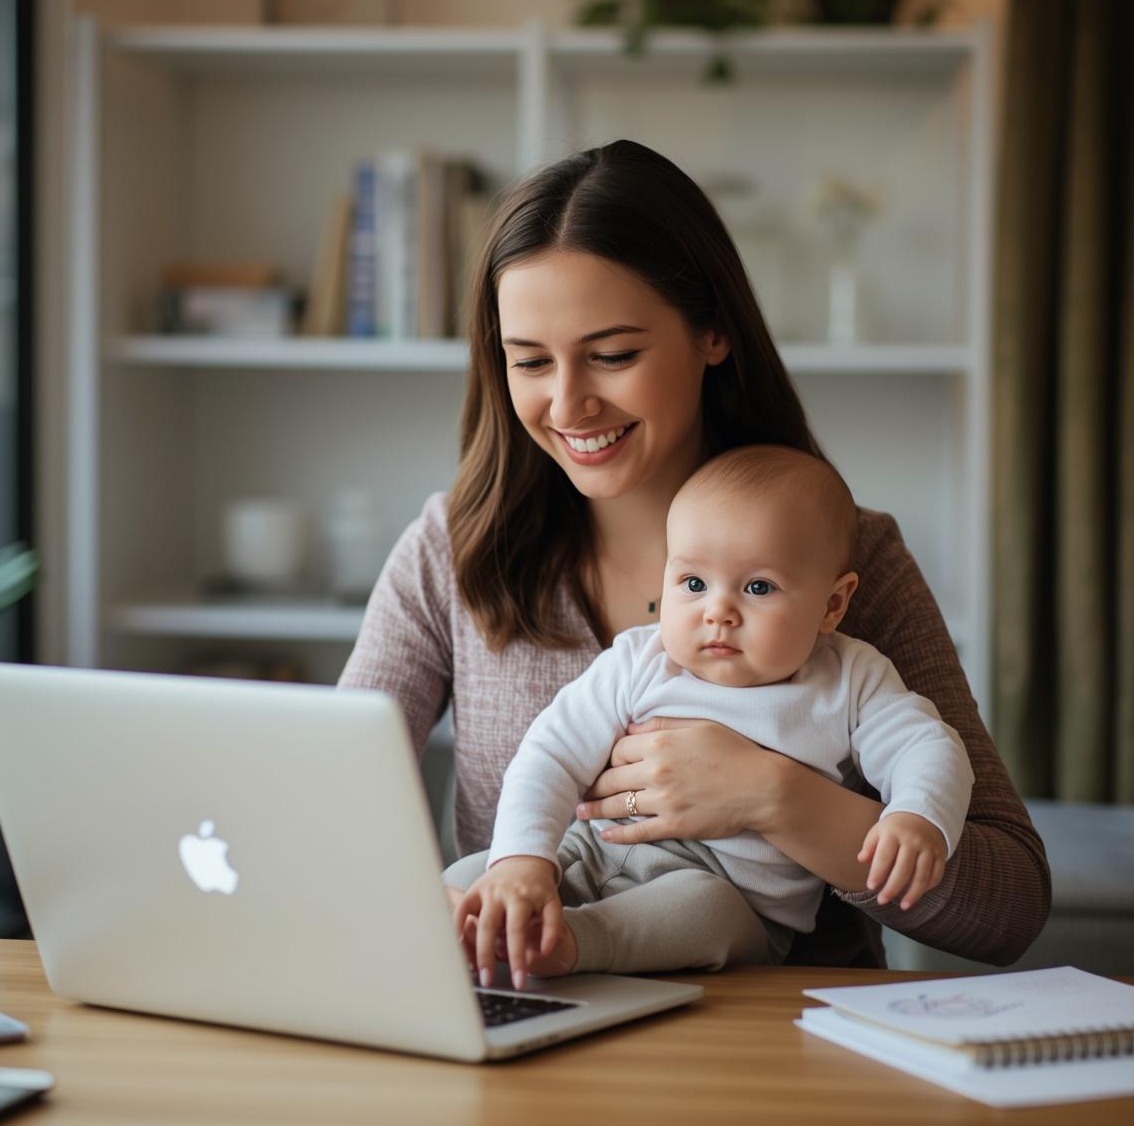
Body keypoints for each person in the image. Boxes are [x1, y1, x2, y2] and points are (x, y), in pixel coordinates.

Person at [338, 138, 1049, 970]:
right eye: (529, 361)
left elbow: (1009, 908)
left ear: (712, 331)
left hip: (777, 1050)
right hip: (530, 1036)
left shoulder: (849, 559)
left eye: (612, 355)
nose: (569, 403)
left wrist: (774, 797)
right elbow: (326, 800)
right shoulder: (453, 550)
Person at [443, 445, 974, 989]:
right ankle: (467, 932)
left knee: (701, 910)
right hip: (591, 852)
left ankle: (570, 944)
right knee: (473, 876)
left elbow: (928, 747)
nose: (718, 610)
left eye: (758, 587)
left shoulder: (849, 679)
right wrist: (521, 863)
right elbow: (549, 754)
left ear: (832, 605)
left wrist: (917, 814)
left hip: (732, 899)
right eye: (694, 584)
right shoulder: (638, 661)